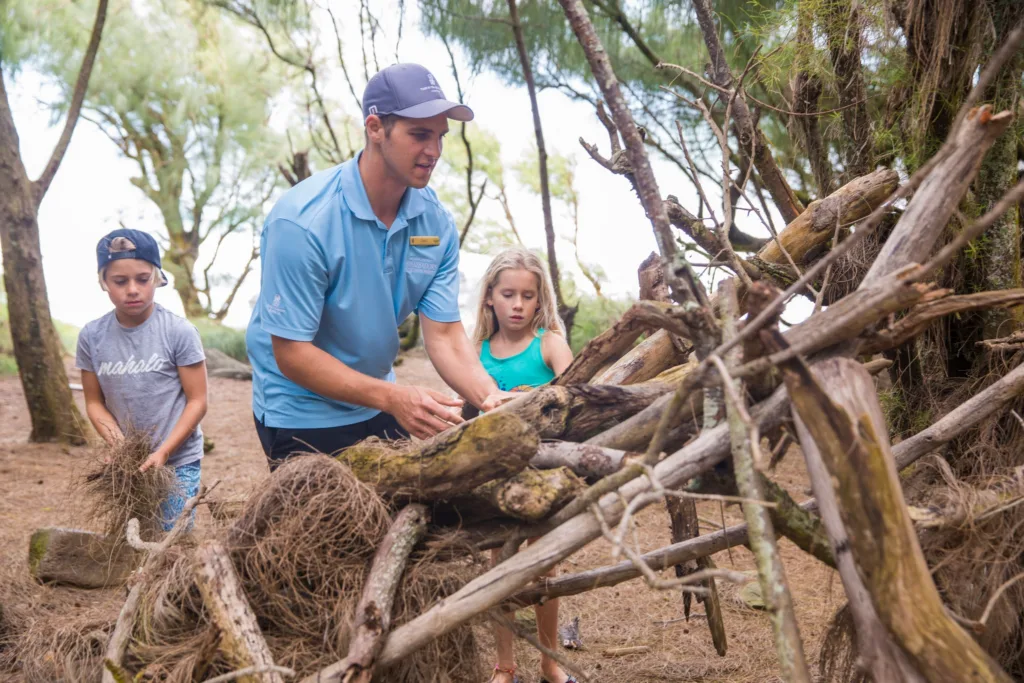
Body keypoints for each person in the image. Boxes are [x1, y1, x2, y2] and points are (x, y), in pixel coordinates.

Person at [246, 63, 504, 468]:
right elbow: (292, 353)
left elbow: (446, 336)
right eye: (419, 134)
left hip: (379, 397)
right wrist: (394, 398)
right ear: (375, 128)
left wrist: (491, 398)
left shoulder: (435, 224)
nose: (434, 151)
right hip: (300, 407)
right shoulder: (302, 222)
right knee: (326, 530)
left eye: (440, 137)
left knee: (395, 522)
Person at [472, 247, 576, 683]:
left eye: (527, 296)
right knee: (499, 564)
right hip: (494, 474)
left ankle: (550, 663)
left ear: (539, 300)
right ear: (490, 298)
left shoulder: (549, 344)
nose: (517, 304)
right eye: (508, 293)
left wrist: (522, 397)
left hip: (544, 471)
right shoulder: (475, 350)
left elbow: (576, 393)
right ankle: (505, 666)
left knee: (545, 565)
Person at [76, 229, 208, 531]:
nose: (132, 289)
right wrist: (120, 445)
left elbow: (198, 400)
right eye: (120, 281)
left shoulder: (179, 332)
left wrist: (164, 451)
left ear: (158, 278)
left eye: (143, 278)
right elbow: (94, 402)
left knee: (170, 541)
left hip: (178, 461)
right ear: (103, 282)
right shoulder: (92, 337)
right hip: (129, 464)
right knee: (134, 538)